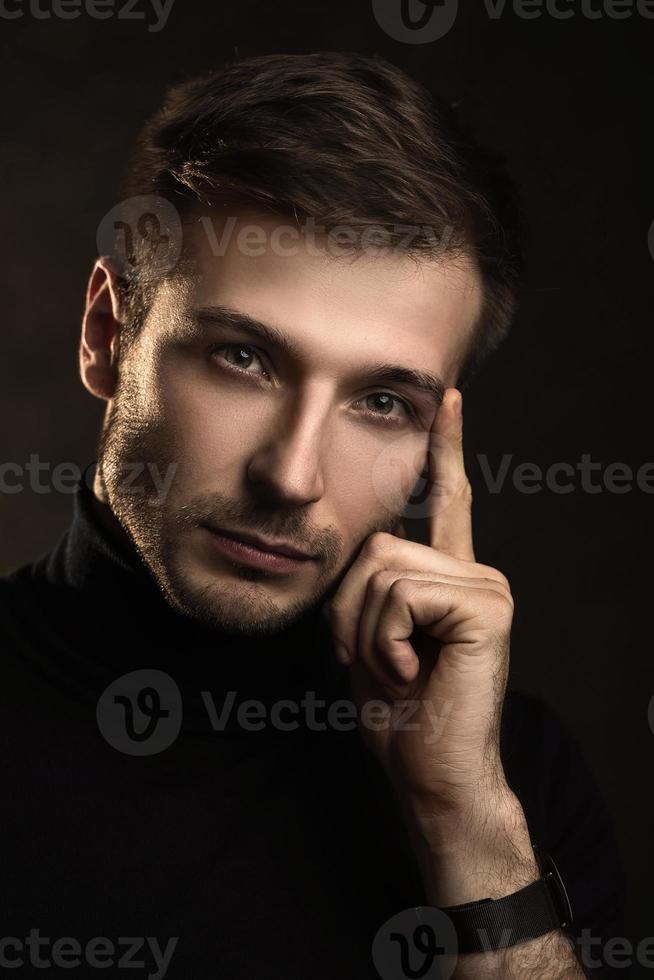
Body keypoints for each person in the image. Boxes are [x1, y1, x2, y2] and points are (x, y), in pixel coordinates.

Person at [0, 52, 625, 978]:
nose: (293, 477)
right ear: (108, 334)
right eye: (243, 359)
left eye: (381, 403)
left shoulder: (508, 779)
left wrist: (465, 824)